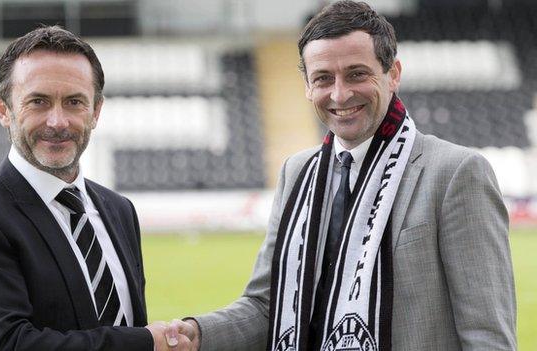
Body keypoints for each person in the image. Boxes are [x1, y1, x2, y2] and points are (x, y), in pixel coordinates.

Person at [172, 1, 516, 350]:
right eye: (323, 78)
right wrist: (197, 333)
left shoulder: (456, 173)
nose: (340, 94)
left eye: (356, 74)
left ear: (393, 73)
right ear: (307, 86)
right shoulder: (297, 173)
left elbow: (487, 335)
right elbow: (267, 305)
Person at [0, 26, 193, 351]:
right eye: (38, 102)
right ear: (4, 110)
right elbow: (4, 345)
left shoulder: (119, 210)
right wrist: (143, 343)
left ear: (96, 111)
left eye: (74, 102)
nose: (57, 122)